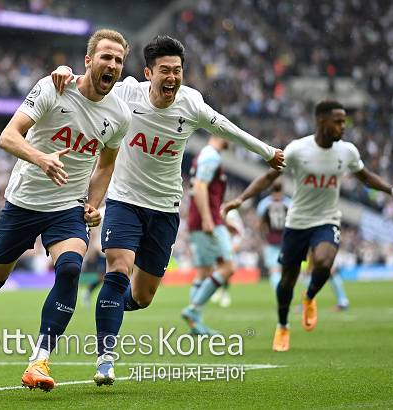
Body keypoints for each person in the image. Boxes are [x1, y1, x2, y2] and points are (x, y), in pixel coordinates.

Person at [51, 35, 285, 385]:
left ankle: (109, 307)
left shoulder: (190, 103)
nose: (173, 77)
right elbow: (88, 87)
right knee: (118, 268)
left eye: (178, 70)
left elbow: (225, 126)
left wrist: (266, 151)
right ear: (148, 73)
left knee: (142, 297)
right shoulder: (126, 93)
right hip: (124, 200)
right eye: (165, 71)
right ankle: (105, 358)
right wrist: (64, 72)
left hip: (164, 209)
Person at [0, 29, 132, 392]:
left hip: (67, 206)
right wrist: (41, 159)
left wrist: (94, 202)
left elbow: (106, 164)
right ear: (88, 61)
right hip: (23, 203)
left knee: (71, 268)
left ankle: (38, 361)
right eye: (106, 57)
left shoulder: (119, 115)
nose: (113, 65)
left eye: (119, 60)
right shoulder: (53, 87)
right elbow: (8, 136)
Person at [222, 100, 393, 352]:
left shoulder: (347, 151)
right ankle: (283, 326)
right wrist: (241, 199)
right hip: (297, 222)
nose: (344, 126)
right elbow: (268, 177)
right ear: (322, 121)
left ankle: (309, 297)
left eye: (345, 121)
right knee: (287, 281)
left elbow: (365, 177)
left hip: (327, 219)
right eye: (338, 121)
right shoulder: (298, 150)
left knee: (323, 262)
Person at [181, 136, 237, 335]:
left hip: (201, 220)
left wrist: (222, 221)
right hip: (206, 221)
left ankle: (196, 325)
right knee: (228, 268)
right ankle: (193, 310)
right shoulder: (211, 156)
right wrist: (208, 219)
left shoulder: (203, 155)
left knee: (203, 272)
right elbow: (200, 187)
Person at [256, 180, 292, 289]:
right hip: (287, 240)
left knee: (274, 270)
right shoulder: (289, 203)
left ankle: (279, 293)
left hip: (271, 240)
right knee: (285, 271)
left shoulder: (264, 204)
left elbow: (259, 225)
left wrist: (262, 238)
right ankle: (284, 294)